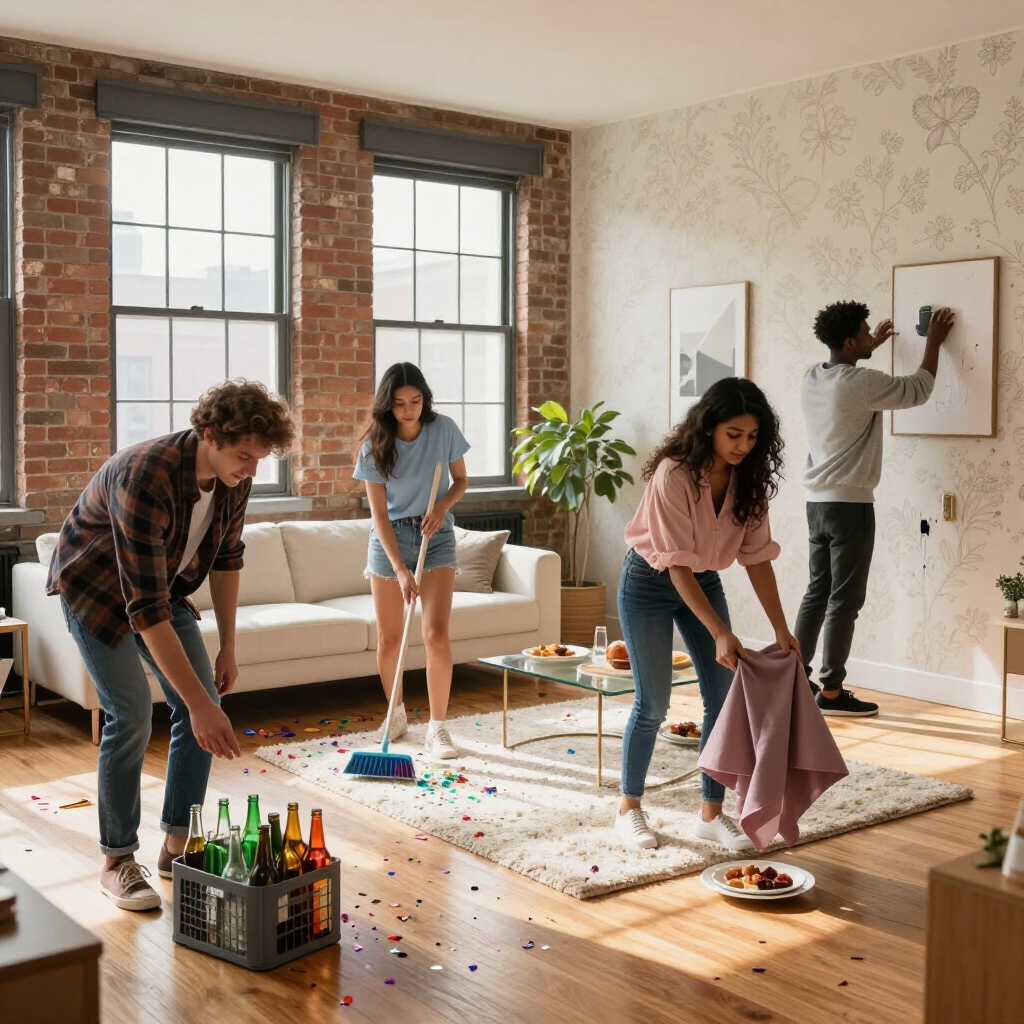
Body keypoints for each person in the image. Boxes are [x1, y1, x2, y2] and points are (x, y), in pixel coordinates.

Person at [47, 380, 295, 911]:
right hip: (96, 591)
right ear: (209, 434)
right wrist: (201, 705)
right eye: (243, 455)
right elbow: (144, 610)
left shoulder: (235, 478)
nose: (251, 469)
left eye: (260, 458)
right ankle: (117, 861)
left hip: (162, 590)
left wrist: (228, 648)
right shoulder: (147, 473)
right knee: (132, 714)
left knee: (204, 700)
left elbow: (227, 559)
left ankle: (178, 845)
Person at [614, 377, 800, 852]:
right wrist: (721, 631)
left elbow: (757, 558)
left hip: (704, 580)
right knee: (652, 703)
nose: (743, 445)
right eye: (733, 434)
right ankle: (629, 809)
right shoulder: (674, 475)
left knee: (722, 700)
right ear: (710, 427)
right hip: (650, 582)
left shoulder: (750, 479)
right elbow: (675, 564)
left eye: (753, 436)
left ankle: (711, 814)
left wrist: (782, 630)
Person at [794, 301, 955, 716]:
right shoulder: (861, 383)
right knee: (845, 601)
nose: (872, 337)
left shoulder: (812, 377)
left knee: (817, 593)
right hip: (850, 506)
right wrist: (934, 343)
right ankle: (831, 694)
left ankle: (793, 680)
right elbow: (918, 388)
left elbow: (849, 379)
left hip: (816, 505)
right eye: (866, 334)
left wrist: (869, 348)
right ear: (849, 343)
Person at [354, 362, 470, 760]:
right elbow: (379, 516)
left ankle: (437, 728)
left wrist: (441, 508)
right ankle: (397, 713)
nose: (409, 410)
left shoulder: (444, 430)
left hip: (434, 535)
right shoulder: (373, 444)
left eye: (416, 401)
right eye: (400, 403)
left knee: (435, 634)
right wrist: (401, 569)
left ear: (425, 399)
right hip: (389, 542)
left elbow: (461, 481)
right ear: (388, 405)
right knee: (389, 638)